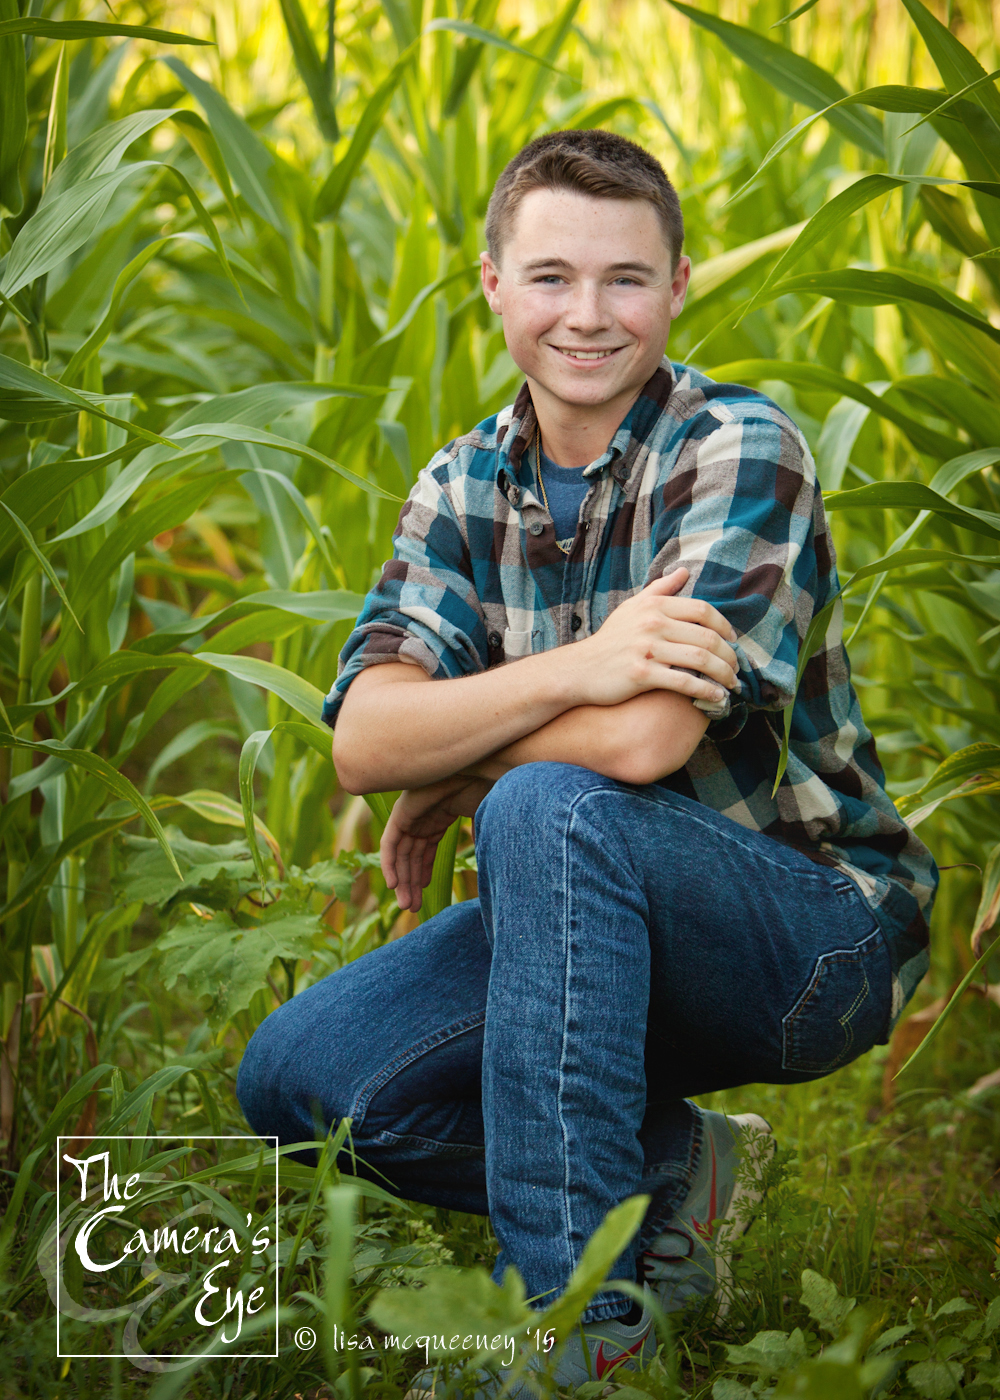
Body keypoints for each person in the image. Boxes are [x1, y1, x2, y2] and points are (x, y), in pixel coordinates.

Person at [237, 129, 938, 1387]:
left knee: (545, 803)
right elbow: (366, 740)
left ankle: (582, 1327)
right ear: (493, 284)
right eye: (551, 276)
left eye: (626, 278)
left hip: (808, 931)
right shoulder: (463, 482)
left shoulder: (739, 447)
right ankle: (673, 1167)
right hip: (577, 919)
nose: (588, 315)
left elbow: (645, 737)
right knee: (303, 1083)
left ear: (679, 285)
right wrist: (584, 663)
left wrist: (468, 766)